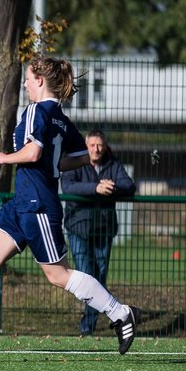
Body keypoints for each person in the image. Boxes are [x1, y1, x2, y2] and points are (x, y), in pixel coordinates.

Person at [0, 55, 136, 358]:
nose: (26, 85)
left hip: (38, 205)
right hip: (22, 204)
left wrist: (4, 157)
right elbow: (80, 158)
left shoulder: (35, 111)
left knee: (58, 275)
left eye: (28, 79)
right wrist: (54, 162)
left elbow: (32, 153)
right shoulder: (61, 119)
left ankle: (120, 313)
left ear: (40, 81)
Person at [61, 130, 136, 336]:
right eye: (92, 145)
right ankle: (94, 323)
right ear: (86, 146)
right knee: (86, 275)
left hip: (104, 229)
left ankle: (89, 326)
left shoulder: (113, 163)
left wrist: (110, 187)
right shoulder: (74, 161)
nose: (96, 149)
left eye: (100, 145)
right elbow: (67, 186)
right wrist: (95, 188)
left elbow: (129, 185)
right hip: (78, 227)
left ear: (105, 146)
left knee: (100, 276)